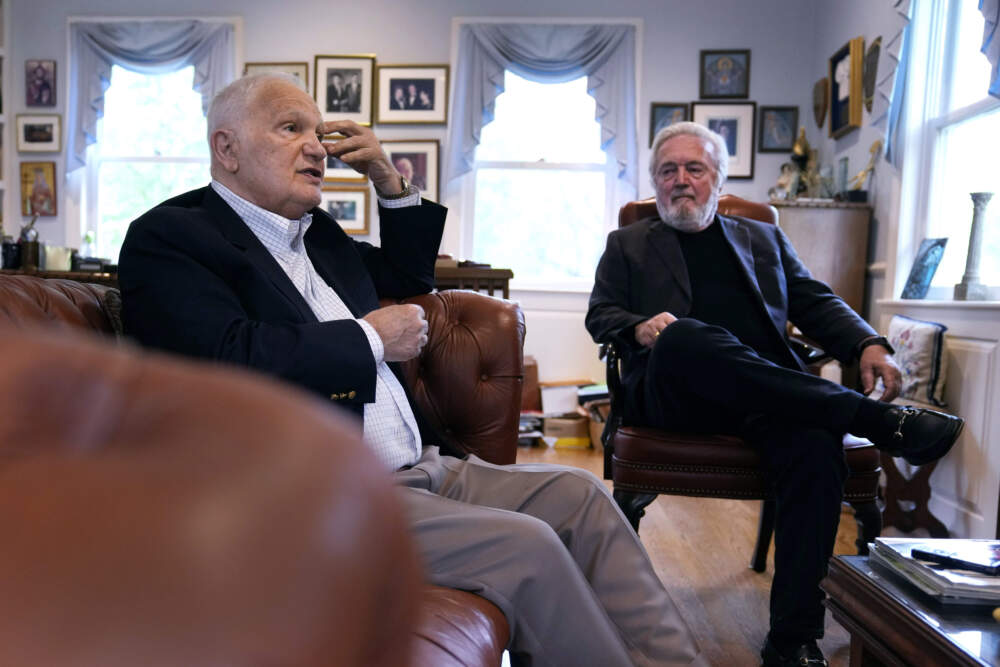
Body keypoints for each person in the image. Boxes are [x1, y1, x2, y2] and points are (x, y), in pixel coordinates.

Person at [118, 73, 703, 667]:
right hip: (316, 500)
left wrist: (385, 177)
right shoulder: (170, 239)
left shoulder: (315, 234)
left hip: (420, 468)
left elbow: (408, 277)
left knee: (581, 497)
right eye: (291, 129)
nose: (317, 147)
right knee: (528, 547)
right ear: (227, 148)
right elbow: (227, 357)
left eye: (319, 133)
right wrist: (371, 336)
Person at [586, 121, 964, 667]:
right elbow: (601, 314)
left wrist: (869, 343)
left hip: (768, 395)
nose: (681, 181)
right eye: (668, 171)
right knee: (686, 334)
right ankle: (879, 421)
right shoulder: (628, 244)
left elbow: (815, 302)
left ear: (718, 178)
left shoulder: (761, 238)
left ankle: (792, 639)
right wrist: (640, 327)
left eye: (695, 168)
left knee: (814, 442)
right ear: (654, 183)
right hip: (677, 398)